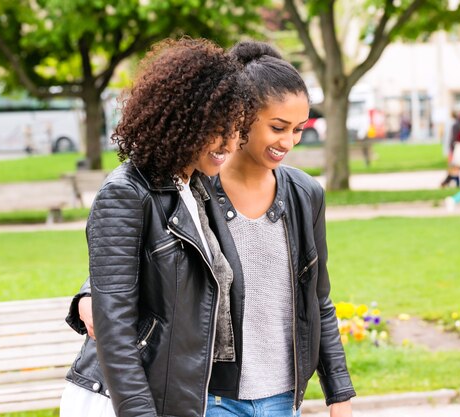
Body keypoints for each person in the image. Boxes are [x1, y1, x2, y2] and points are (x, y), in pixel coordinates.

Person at [67, 40, 356, 417]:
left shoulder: (282, 193)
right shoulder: (193, 186)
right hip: (208, 394)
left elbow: (318, 298)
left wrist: (339, 393)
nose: (288, 141)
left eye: (299, 129)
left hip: (280, 395)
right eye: (278, 127)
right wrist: (89, 296)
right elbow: (130, 272)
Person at [60, 37, 254, 417]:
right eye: (216, 128)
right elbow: (114, 334)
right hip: (118, 401)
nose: (229, 143)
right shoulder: (126, 193)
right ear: (180, 120)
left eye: (236, 129)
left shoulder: (195, 188)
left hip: (170, 398)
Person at [440, 111, 460, 188]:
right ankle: (451, 181)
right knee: (455, 167)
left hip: (455, 148)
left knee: (454, 166)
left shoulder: (456, 124)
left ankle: (449, 181)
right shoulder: (459, 125)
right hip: (457, 148)